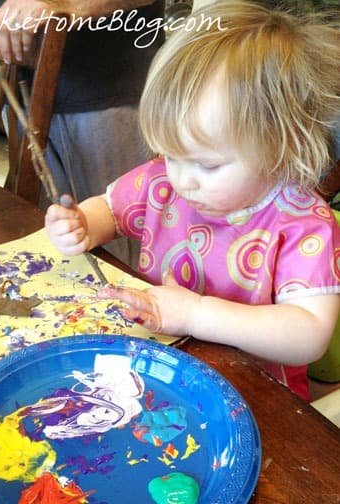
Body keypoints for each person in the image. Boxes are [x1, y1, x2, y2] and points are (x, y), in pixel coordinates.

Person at [45, 0, 340, 401]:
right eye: (170, 154)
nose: (182, 178)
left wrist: (197, 315)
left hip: (258, 399)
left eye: (207, 164)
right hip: (162, 377)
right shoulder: (164, 181)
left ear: (280, 145)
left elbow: (307, 335)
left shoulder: (303, 226)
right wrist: (81, 226)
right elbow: (108, 212)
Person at [0, 0, 166, 267]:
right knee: (51, 249)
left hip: (107, 85)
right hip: (18, 81)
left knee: (117, 256)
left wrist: (61, 3)